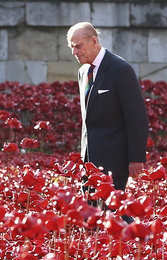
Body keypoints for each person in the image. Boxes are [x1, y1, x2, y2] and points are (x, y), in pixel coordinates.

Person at [67, 22, 149, 195]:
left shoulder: (120, 69)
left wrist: (136, 158)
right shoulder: (83, 72)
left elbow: (136, 117)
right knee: (91, 213)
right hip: (88, 159)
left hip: (114, 160)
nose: (74, 52)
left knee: (113, 213)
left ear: (94, 41)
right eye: (71, 47)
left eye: (78, 46)